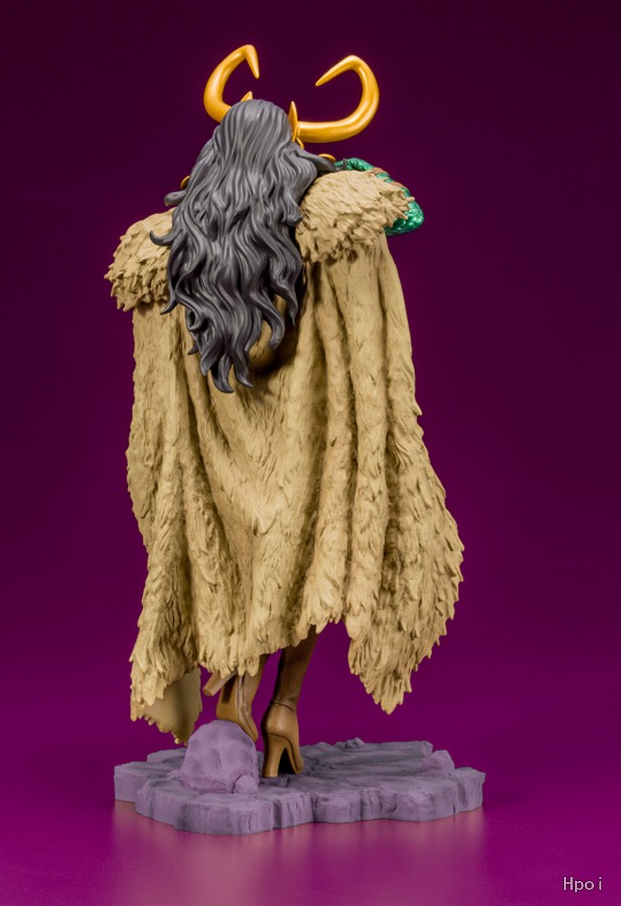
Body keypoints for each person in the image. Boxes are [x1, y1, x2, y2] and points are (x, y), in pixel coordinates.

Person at [107, 49, 463, 778]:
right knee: (309, 565)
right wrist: (334, 167)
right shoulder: (324, 220)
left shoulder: (168, 246)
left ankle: (232, 700)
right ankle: (283, 707)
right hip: (305, 442)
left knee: (239, 570)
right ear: (288, 159)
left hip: (217, 447)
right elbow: (406, 210)